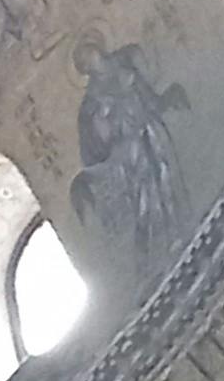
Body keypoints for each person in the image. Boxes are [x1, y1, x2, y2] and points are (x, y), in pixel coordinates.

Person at [72, 35, 188, 261]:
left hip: (151, 131)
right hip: (131, 150)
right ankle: (149, 250)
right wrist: (107, 117)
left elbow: (149, 97)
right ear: (85, 69)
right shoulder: (92, 101)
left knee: (167, 175)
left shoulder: (125, 64)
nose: (92, 59)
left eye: (90, 51)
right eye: (86, 61)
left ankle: (177, 228)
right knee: (145, 194)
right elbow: (100, 140)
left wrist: (159, 101)